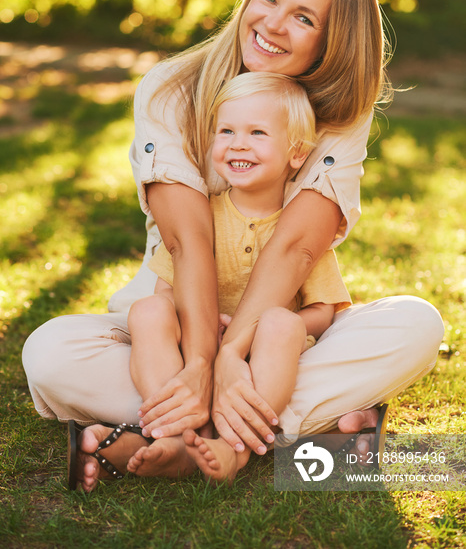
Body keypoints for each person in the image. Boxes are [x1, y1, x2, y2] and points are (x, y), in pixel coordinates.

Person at [22, 0, 444, 493]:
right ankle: (274, 430)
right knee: (50, 355)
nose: (272, 24)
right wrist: (201, 359)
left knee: (417, 324)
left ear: (331, 41)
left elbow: (297, 247)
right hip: (176, 324)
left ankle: (183, 427)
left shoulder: (338, 111)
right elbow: (189, 240)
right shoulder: (168, 90)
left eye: (303, 17)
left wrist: (232, 356)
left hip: (274, 339)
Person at [127, 72, 352, 483]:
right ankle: (176, 426)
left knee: (282, 322)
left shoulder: (301, 225)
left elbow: (324, 309)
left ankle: (235, 448)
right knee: (147, 311)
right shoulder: (202, 212)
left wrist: (267, 329)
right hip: (199, 345)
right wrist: (197, 325)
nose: (238, 143)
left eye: (257, 132)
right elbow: (166, 287)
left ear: (297, 152)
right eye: (226, 130)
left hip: (266, 360)